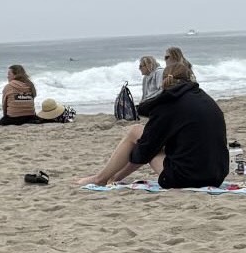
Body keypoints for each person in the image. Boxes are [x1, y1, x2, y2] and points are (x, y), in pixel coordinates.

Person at [83, 57, 228, 188]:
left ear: (163, 80)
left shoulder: (169, 104)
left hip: (185, 178)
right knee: (149, 142)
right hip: (217, 175)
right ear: (189, 78)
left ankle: (100, 178)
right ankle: (113, 177)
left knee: (136, 132)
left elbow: (147, 147)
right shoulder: (204, 98)